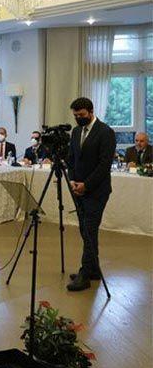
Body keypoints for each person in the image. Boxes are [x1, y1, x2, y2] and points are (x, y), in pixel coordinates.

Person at [66, 97, 116, 291]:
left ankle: (85, 274)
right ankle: (93, 269)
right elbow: (71, 159)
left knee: (89, 230)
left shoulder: (105, 132)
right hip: (78, 189)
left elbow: (104, 165)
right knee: (85, 230)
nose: (78, 118)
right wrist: (72, 179)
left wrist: (86, 185)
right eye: (75, 116)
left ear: (91, 111)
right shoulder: (76, 131)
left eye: (81, 115)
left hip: (97, 191)